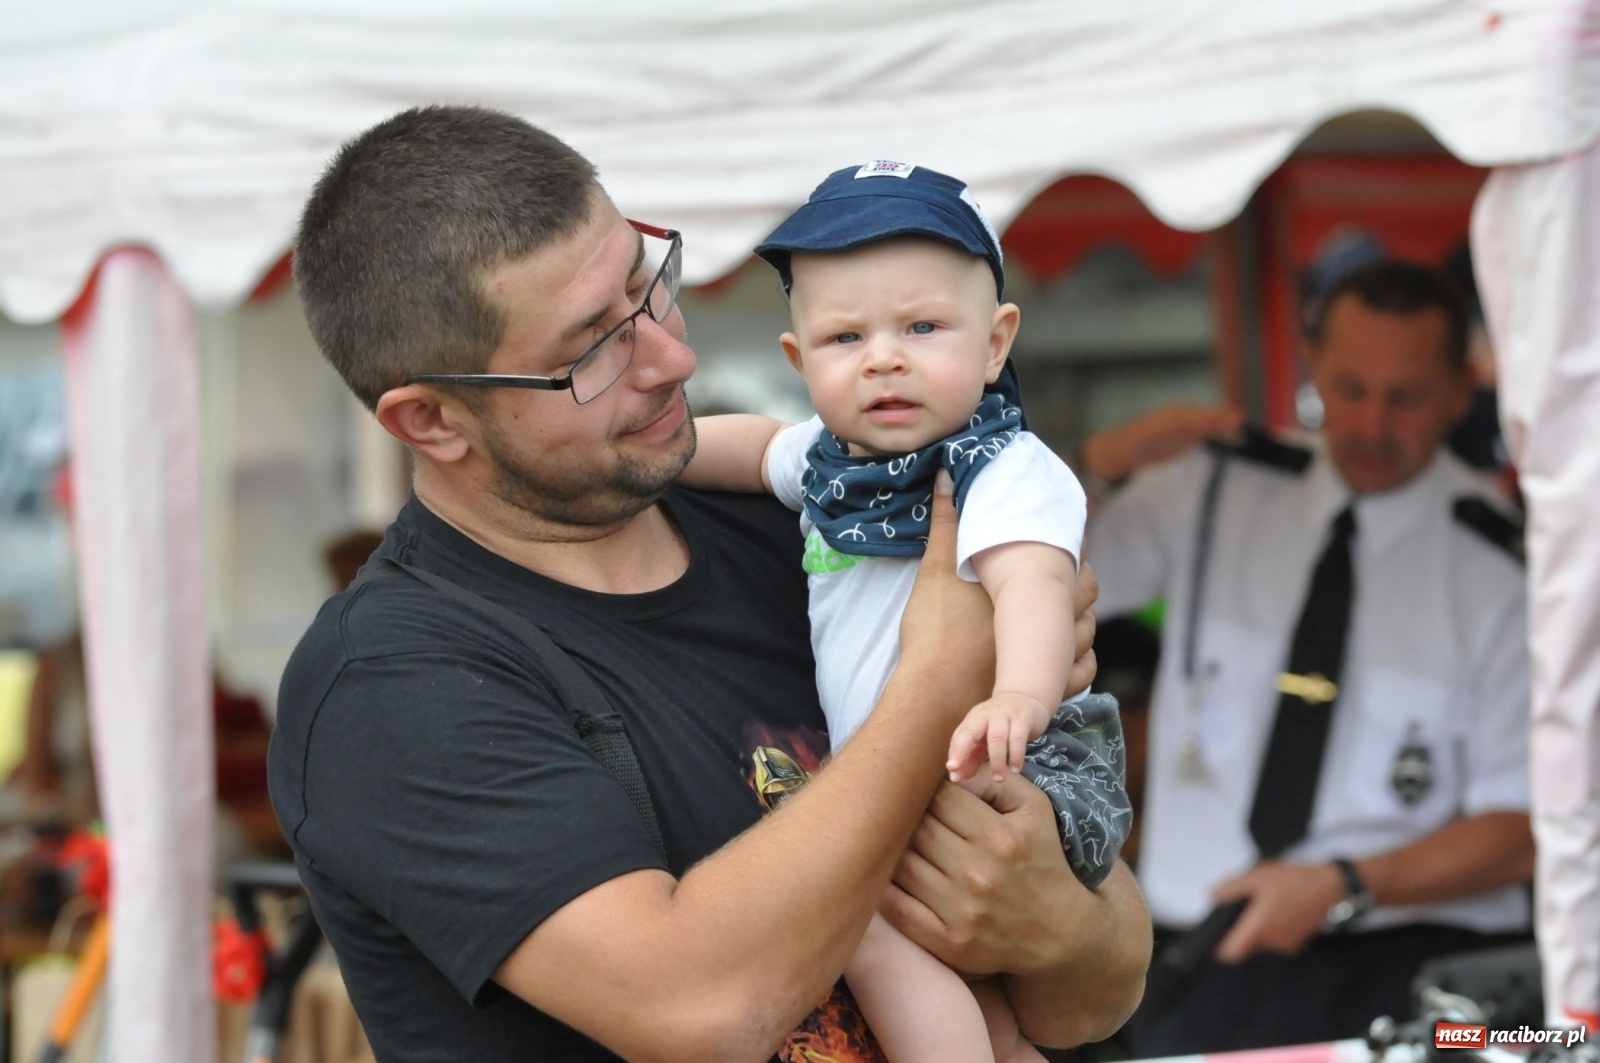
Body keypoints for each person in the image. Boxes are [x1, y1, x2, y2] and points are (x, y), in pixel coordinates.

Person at [267, 105, 1149, 1063]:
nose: (673, 357)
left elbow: (1103, 985)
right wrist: (938, 678)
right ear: (432, 421)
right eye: (592, 349)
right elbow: (702, 1009)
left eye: (650, 287)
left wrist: (1052, 924)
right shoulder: (393, 684)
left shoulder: (824, 521)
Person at [679, 163, 1130, 1063]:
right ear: (799, 362)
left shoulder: (1001, 467)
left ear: (996, 343)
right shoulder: (823, 458)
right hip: (919, 759)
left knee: (863, 924)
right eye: (847, 337)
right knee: (956, 969)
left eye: (923, 327)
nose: (885, 356)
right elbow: (751, 446)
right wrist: (662, 455)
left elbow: (1036, 584)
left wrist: (1021, 698)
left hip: (1009, 758)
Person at [1080, 258, 1534, 1054]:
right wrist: (1091, 470)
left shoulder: (1503, 565)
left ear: (1463, 390)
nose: (1369, 425)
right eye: (1349, 389)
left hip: (1412, 964)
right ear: (1313, 365)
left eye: (1406, 397)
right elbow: (1038, 579)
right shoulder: (1217, 486)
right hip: (1203, 955)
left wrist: (1345, 885)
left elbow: (1527, 822)